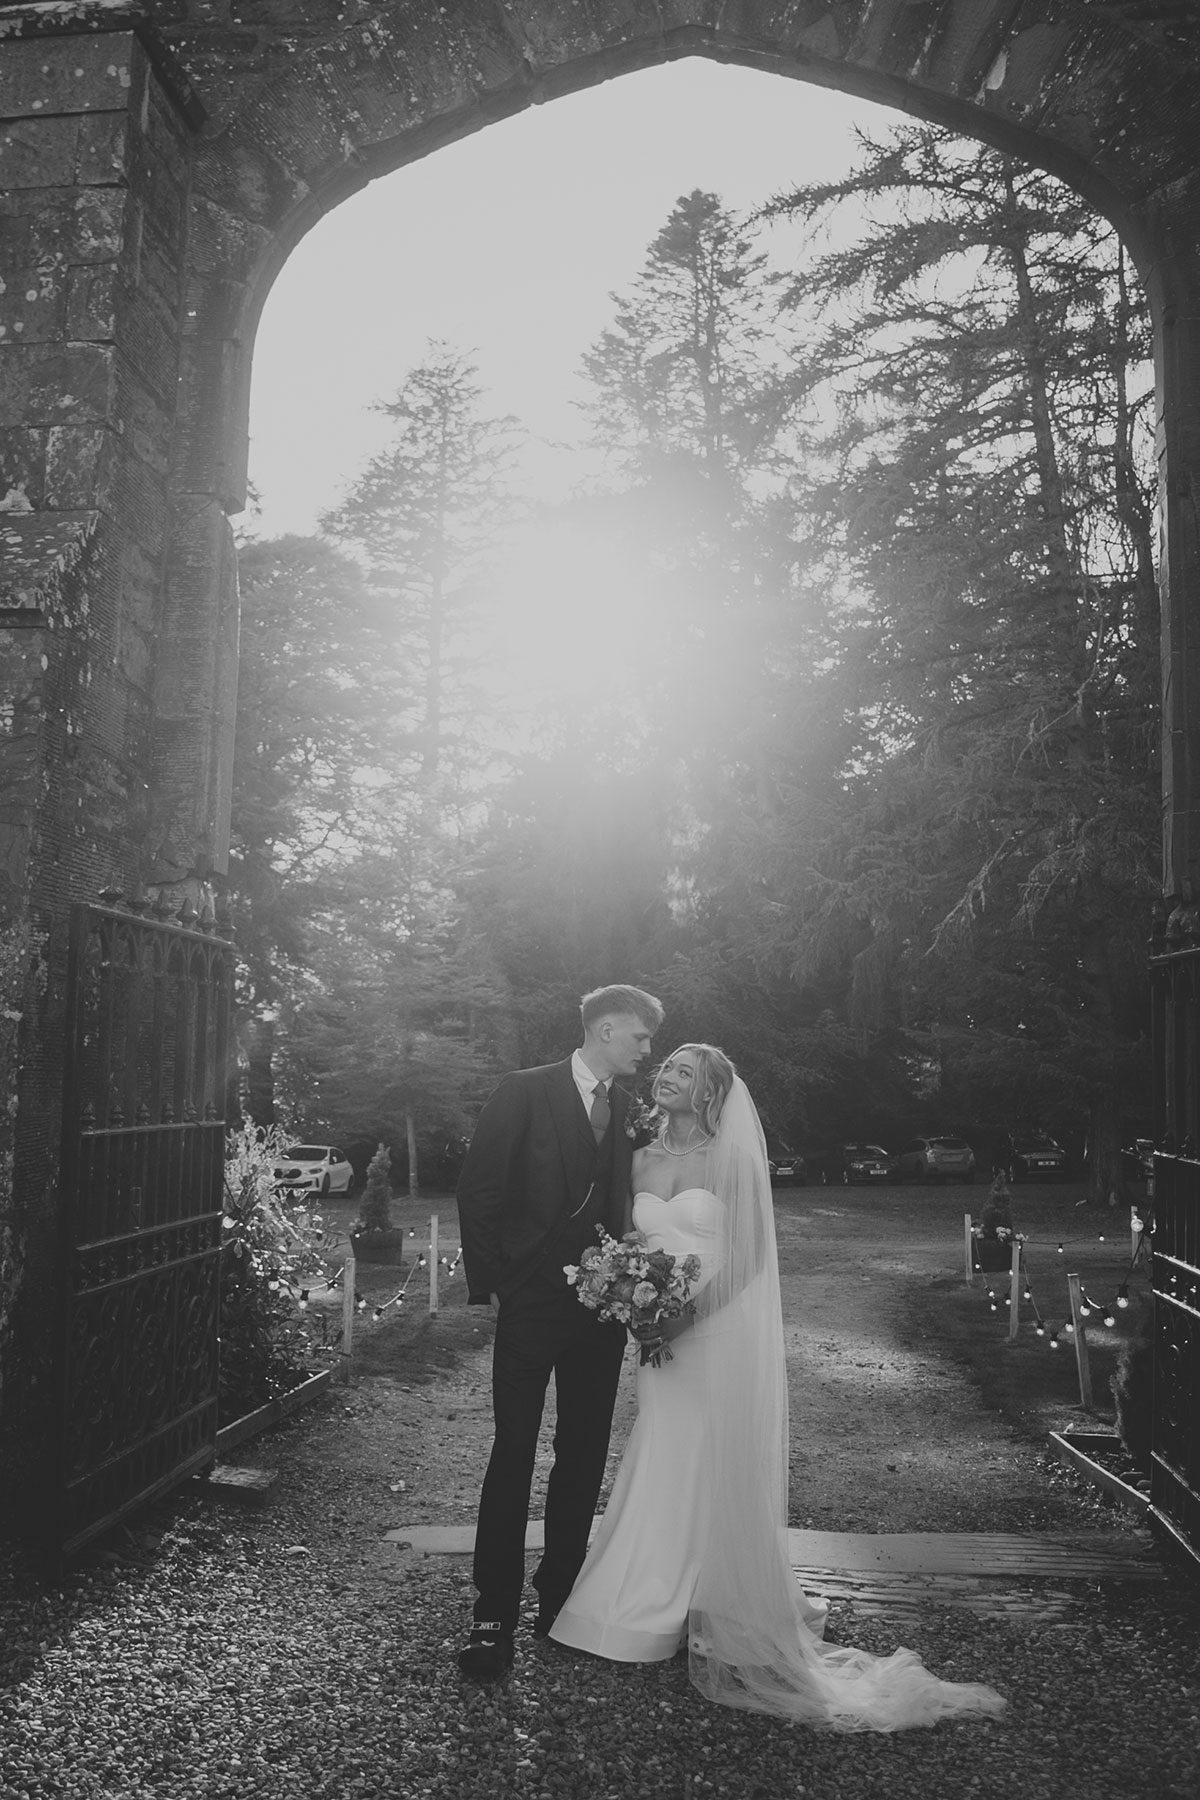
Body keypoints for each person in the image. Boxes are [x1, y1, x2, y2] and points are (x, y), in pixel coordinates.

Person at [551, 1044, 1007, 1732]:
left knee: (712, 1449)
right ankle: (647, 1594)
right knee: (663, 1442)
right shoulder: (639, 1157)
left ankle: (711, 1598)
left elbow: (752, 1254)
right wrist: (631, 1300)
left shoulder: (731, 1160)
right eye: (665, 1066)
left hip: (715, 1325)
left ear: (710, 1093)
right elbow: (624, 1240)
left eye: (682, 1070)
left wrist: (687, 1312)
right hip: (654, 1331)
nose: (665, 1075)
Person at [455, 983, 665, 1680]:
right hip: (530, 1303)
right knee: (513, 1449)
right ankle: (492, 1615)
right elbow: (480, 1189)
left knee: (581, 1455)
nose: (646, 1049)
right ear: (605, 1030)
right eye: (638, 1036)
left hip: (599, 1316)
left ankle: (559, 1600)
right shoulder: (524, 1091)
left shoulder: (629, 1109)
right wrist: (493, 1285)